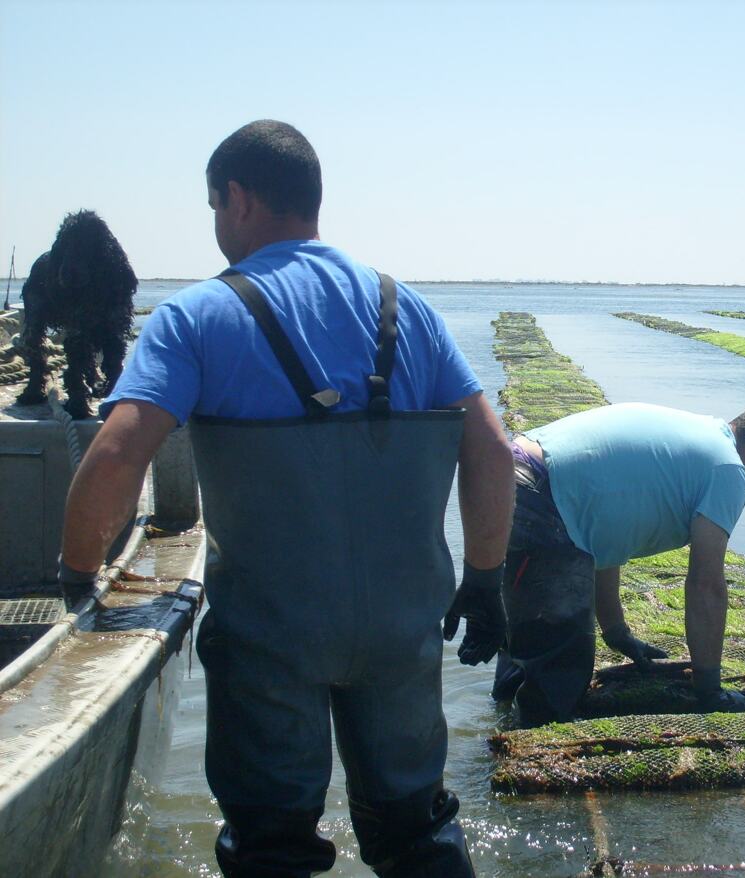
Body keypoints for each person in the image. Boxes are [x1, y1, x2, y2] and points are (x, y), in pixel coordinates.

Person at [56, 120, 514, 878]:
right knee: (415, 832)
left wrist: (79, 578)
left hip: (270, 637)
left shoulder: (195, 315)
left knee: (271, 846)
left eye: (212, 207)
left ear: (237, 199)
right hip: (403, 633)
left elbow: (115, 453)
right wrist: (487, 580)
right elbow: (493, 451)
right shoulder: (409, 309)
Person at [491, 402, 745, 725]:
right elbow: (705, 584)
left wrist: (616, 633)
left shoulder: (696, 436)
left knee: (526, 642)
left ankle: (496, 731)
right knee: (560, 669)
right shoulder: (729, 469)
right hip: (541, 497)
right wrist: (710, 690)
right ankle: (524, 752)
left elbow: (603, 541)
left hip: (513, 474)